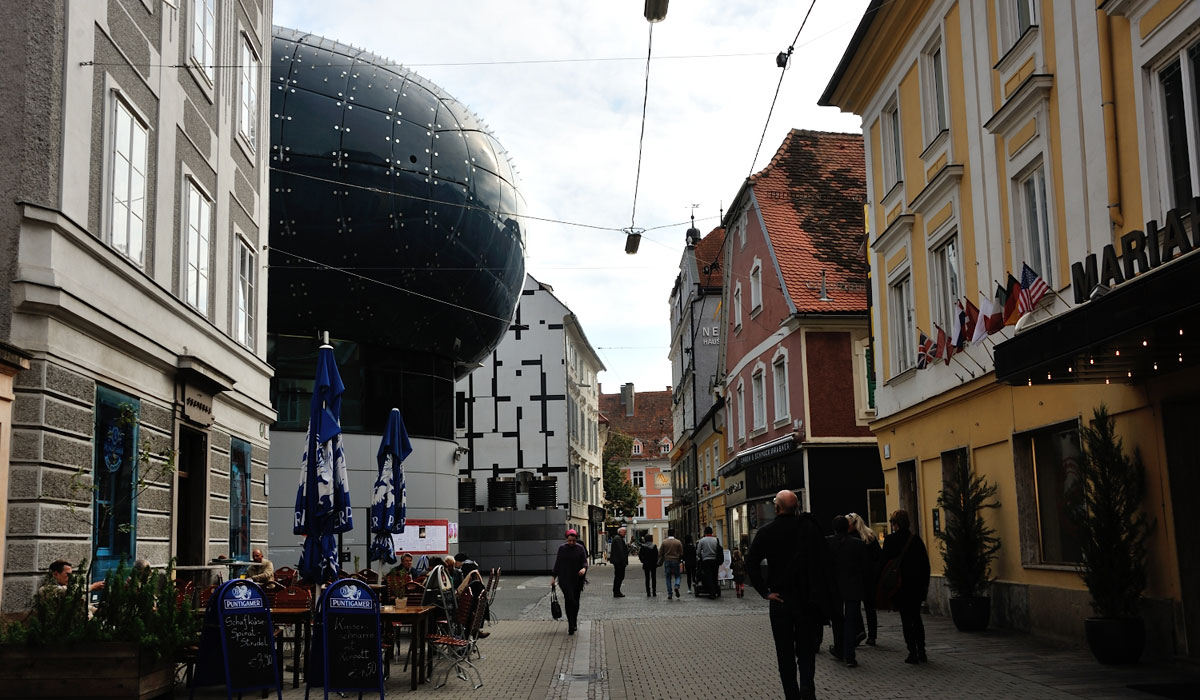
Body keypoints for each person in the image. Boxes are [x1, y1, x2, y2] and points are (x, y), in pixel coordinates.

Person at [748, 491, 832, 700]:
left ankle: (791, 694)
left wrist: (764, 592)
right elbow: (824, 561)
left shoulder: (767, 532)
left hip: (780, 599)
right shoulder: (809, 529)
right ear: (796, 508)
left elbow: (751, 563)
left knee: (784, 652)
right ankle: (807, 688)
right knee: (806, 650)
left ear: (776, 508)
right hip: (806, 599)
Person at [880, 509, 931, 664]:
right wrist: (924, 588)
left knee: (906, 619)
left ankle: (912, 651)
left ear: (895, 524)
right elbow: (925, 565)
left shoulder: (890, 541)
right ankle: (922, 651)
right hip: (916, 587)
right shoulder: (916, 540)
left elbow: (883, 564)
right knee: (916, 618)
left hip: (900, 587)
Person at [826, 515, 867, 667]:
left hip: (834, 588)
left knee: (837, 620)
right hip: (853, 587)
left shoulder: (828, 543)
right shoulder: (857, 544)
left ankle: (839, 648)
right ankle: (850, 656)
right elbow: (864, 567)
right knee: (851, 621)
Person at [847, 513, 881, 645]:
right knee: (870, 608)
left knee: (855, 606)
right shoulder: (870, 536)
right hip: (869, 577)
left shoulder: (851, 538)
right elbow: (878, 557)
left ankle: (860, 631)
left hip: (857, 577)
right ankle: (872, 636)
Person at [550, 528, 589, 635]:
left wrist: (584, 569)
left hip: (577, 579)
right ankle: (571, 624)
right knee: (569, 599)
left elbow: (584, 562)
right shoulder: (562, 549)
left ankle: (574, 620)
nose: (571, 542)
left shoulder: (580, 548)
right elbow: (557, 563)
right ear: (567, 539)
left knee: (575, 601)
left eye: (573, 541)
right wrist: (553, 577)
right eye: (569, 540)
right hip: (565, 579)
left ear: (576, 539)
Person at [37, 560, 105, 602]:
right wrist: (92, 587)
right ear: (56, 574)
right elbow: (67, 590)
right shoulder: (46, 589)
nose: (70, 577)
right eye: (67, 574)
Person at [697, 526, 722, 599]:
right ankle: (715, 589)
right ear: (712, 532)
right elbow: (718, 550)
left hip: (706, 560)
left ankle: (711, 592)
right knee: (715, 576)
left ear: (705, 532)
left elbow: (698, 552)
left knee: (708, 576)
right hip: (715, 560)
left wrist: (701, 557)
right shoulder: (716, 540)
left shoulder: (702, 540)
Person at [658, 529, 684, 599]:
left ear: (668, 534)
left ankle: (670, 594)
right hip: (675, 561)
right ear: (674, 533)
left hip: (667, 561)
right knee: (678, 576)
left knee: (668, 578)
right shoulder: (678, 542)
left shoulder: (664, 542)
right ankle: (676, 585)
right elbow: (681, 553)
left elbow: (660, 553)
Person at [610, 527, 629, 598]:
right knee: (619, 576)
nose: (625, 533)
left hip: (618, 561)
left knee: (619, 576)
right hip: (619, 562)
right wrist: (624, 562)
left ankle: (617, 591)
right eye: (624, 532)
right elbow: (621, 551)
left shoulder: (618, 538)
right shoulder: (618, 539)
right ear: (620, 532)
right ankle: (616, 591)